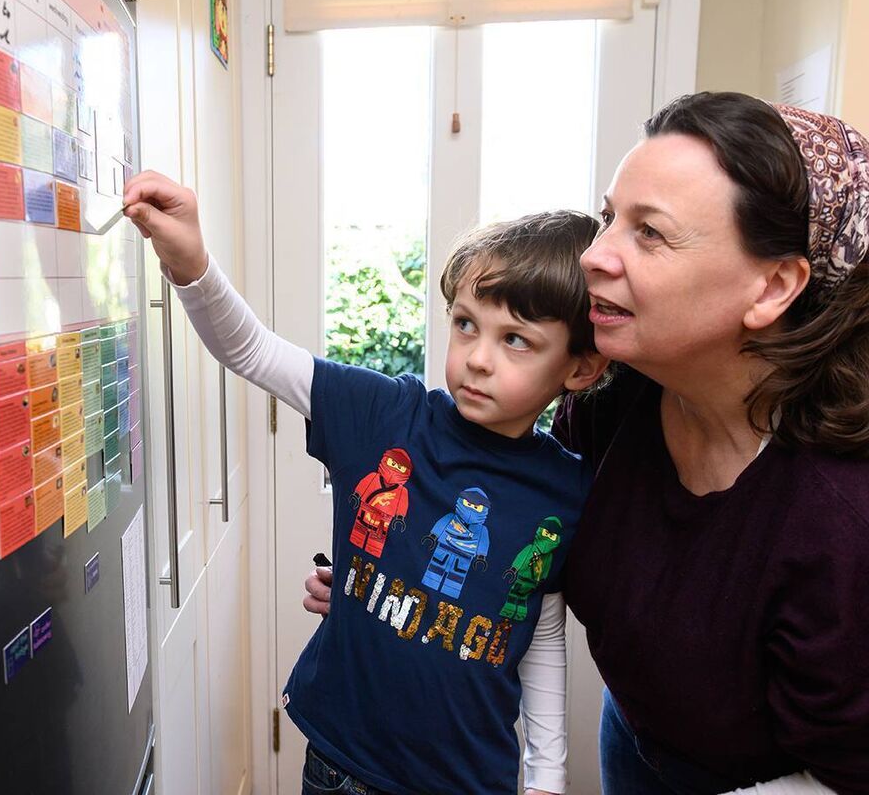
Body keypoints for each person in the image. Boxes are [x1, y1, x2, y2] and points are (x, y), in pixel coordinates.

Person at [303, 92, 869, 794]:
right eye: (609, 219)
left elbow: (848, 772)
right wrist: (403, 584)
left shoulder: (841, 517)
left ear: (773, 285)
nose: (596, 255)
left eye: (650, 233)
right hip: (632, 740)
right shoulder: (615, 399)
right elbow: (524, 543)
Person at [124, 168, 608, 794]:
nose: (478, 357)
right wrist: (189, 261)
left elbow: (539, 630)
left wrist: (547, 777)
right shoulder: (386, 414)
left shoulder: (567, 490)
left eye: (516, 340)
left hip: (467, 782)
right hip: (340, 768)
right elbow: (251, 350)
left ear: (579, 368)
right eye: (465, 324)